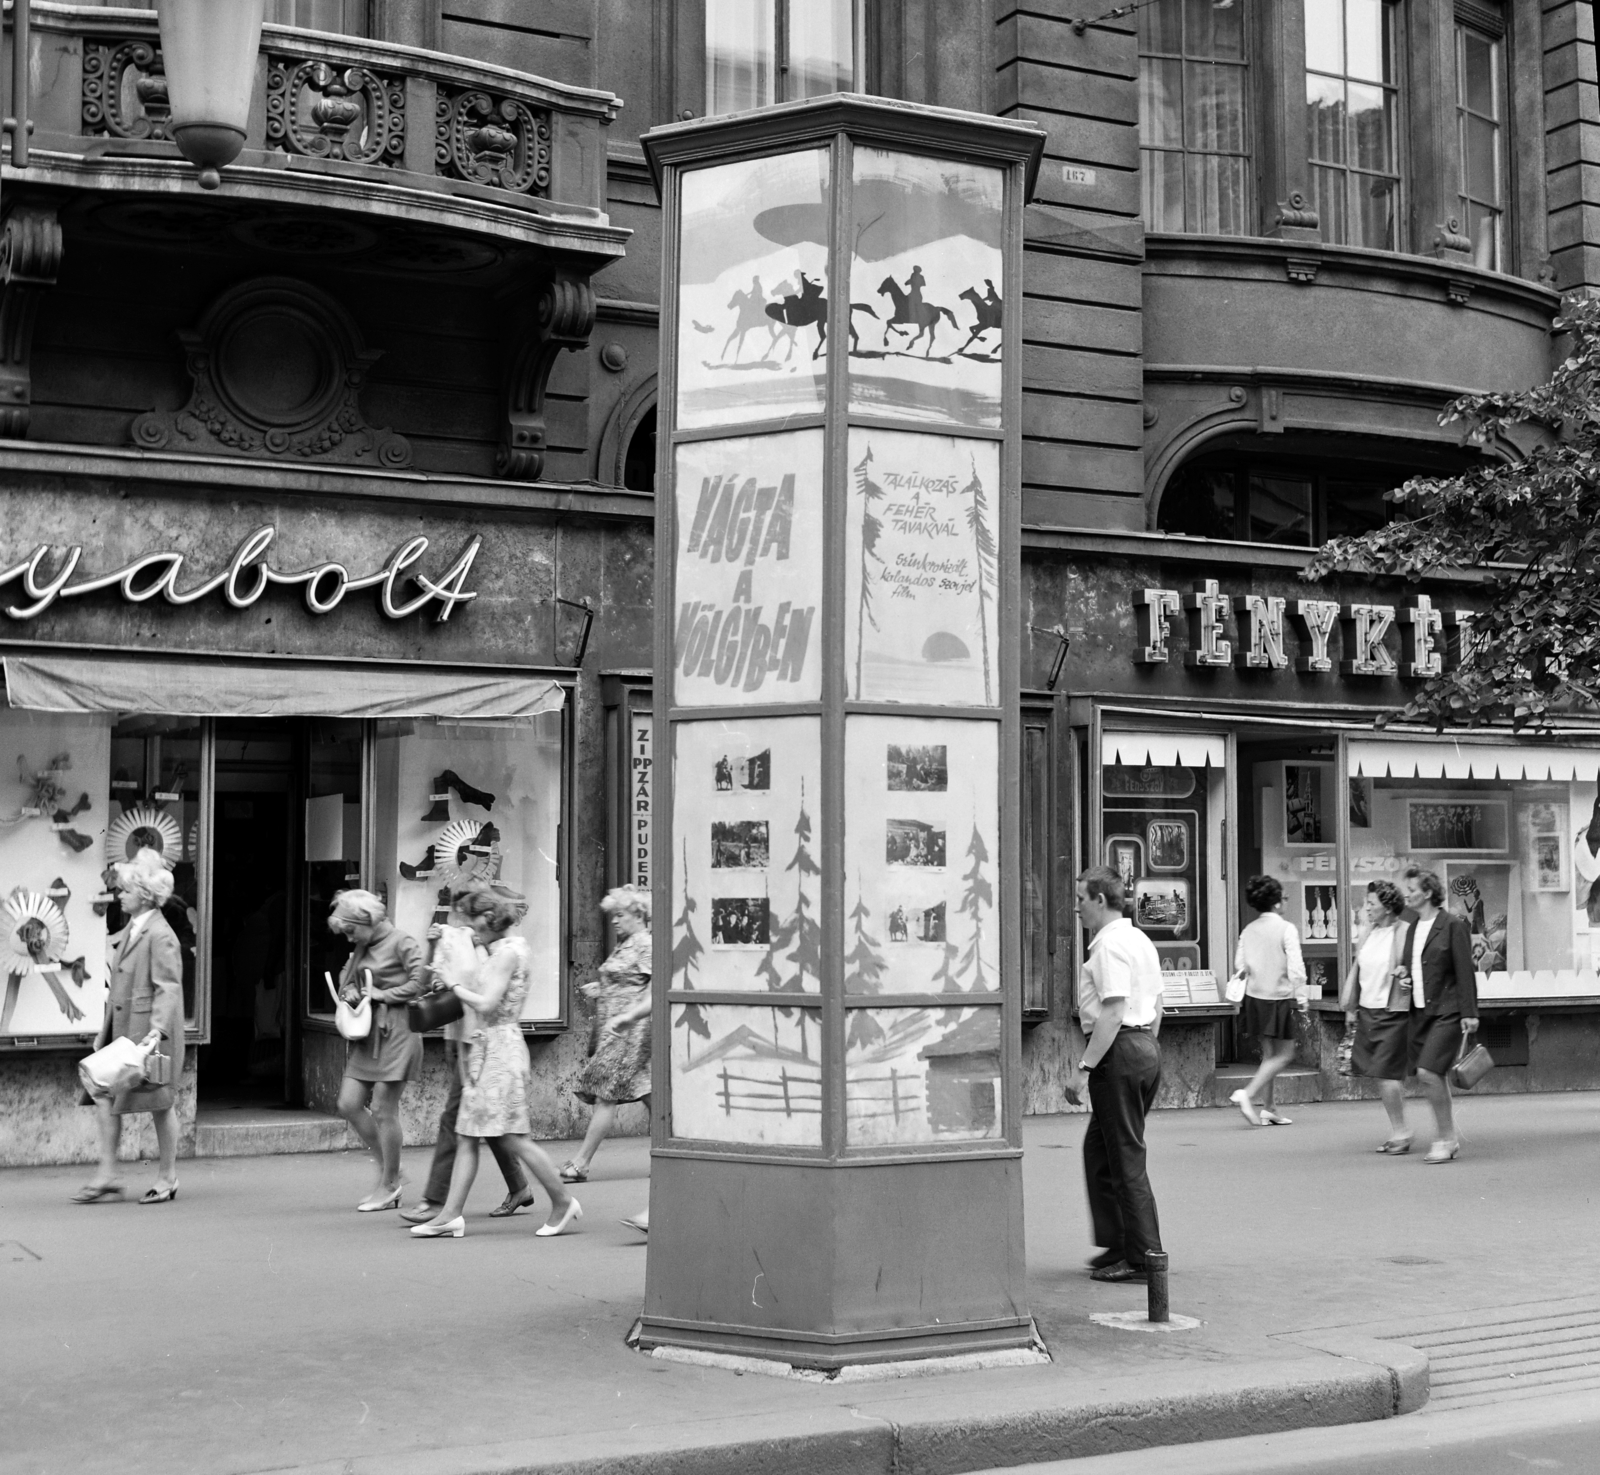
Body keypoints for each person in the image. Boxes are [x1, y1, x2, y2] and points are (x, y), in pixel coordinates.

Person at [410, 884, 580, 1238]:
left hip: (500, 1047)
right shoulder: (504, 948)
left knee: (513, 1137)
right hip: (490, 1044)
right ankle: (451, 1215)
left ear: (489, 919)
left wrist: (453, 984)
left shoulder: (507, 953)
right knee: (468, 1134)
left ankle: (563, 1201)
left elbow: (486, 1003)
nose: (471, 929)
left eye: (474, 923)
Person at [399, 890, 531, 1226]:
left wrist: (459, 968)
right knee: (484, 1125)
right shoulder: (461, 939)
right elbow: (430, 983)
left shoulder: (495, 947)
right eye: (456, 914)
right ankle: (519, 1186)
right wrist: (435, 946)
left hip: (482, 1041)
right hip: (464, 1036)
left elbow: (479, 995)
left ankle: (436, 1201)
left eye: (464, 915)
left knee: (457, 1121)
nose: (461, 921)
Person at [1068, 866, 1165, 1285]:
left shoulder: (1108, 946)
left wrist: (1083, 1069)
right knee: (1101, 1151)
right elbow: (1157, 1005)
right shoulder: (1139, 939)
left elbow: (1112, 1009)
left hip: (1119, 1051)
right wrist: (1145, 1047)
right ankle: (1119, 1242)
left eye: (1081, 900)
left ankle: (1143, 1256)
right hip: (1144, 1047)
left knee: (1124, 1158)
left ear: (1101, 900)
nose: (1077, 908)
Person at [73, 852, 186, 1205]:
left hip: (148, 1034)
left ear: (144, 894)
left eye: (125, 890)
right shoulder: (138, 927)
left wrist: (155, 1030)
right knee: (102, 1090)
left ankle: (167, 1177)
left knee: (160, 1103)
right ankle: (107, 1173)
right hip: (125, 1031)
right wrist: (105, 1031)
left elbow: (168, 986)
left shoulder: (160, 934)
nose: (119, 895)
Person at [329, 890, 428, 1212]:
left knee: (384, 1109)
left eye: (350, 930)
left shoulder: (403, 942)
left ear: (367, 921)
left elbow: (420, 982)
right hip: (368, 1033)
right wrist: (352, 991)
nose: (348, 938)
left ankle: (388, 1183)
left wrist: (381, 994)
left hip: (399, 1029)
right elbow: (345, 982)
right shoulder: (362, 946)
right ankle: (393, 1169)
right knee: (348, 1103)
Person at [559, 885, 653, 1195]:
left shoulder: (645, 945)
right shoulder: (628, 944)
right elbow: (626, 981)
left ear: (638, 915)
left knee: (605, 1095)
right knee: (649, 1093)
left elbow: (656, 989)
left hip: (630, 1031)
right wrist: (603, 991)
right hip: (616, 1028)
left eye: (620, 915)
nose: (614, 921)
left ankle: (581, 1163)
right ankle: (678, 1148)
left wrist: (629, 1016)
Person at [1399, 867, 1479, 1164]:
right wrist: (1404, 974)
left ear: (1429, 892)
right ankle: (1448, 1137)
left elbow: (1464, 971)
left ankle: (1445, 1138)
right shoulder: (1411, 927)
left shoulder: (1452, 925)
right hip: (1420, 1012)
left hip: (1448, 1010)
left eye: (1411, 888)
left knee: (1428, 1073)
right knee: (1434, 1075)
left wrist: (1470, 1012)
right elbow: (1414, 967)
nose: (1406, 894)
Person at [1229, 875, 1308, 1127]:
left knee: (1269, 1054)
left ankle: (1269, 1107)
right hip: (1278, 997)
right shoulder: (1287, 929)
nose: (1286, 901)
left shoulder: (1248, 930)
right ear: (1276, 903)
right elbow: (1296, 967)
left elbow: (1240, 965)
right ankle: (1248, 1094)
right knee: (1285, 1054)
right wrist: (1302, 994)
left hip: (1255, 997)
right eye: (1284, 897)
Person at [1340, 881, 1412, 1152]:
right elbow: (1359, 971)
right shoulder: (1368, 932)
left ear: (1388, 906)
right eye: (1366, 903)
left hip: (1393, 1012)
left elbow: (1414, 971)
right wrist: (1352, 1008)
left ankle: (1401, 1133)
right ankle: (1399, 1130)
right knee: (1383, 1075)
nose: (1366, 908)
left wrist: (1407, 978)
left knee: (1387, 1074)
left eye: (1372, 904)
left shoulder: (1405, 932)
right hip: (1369, 1011)